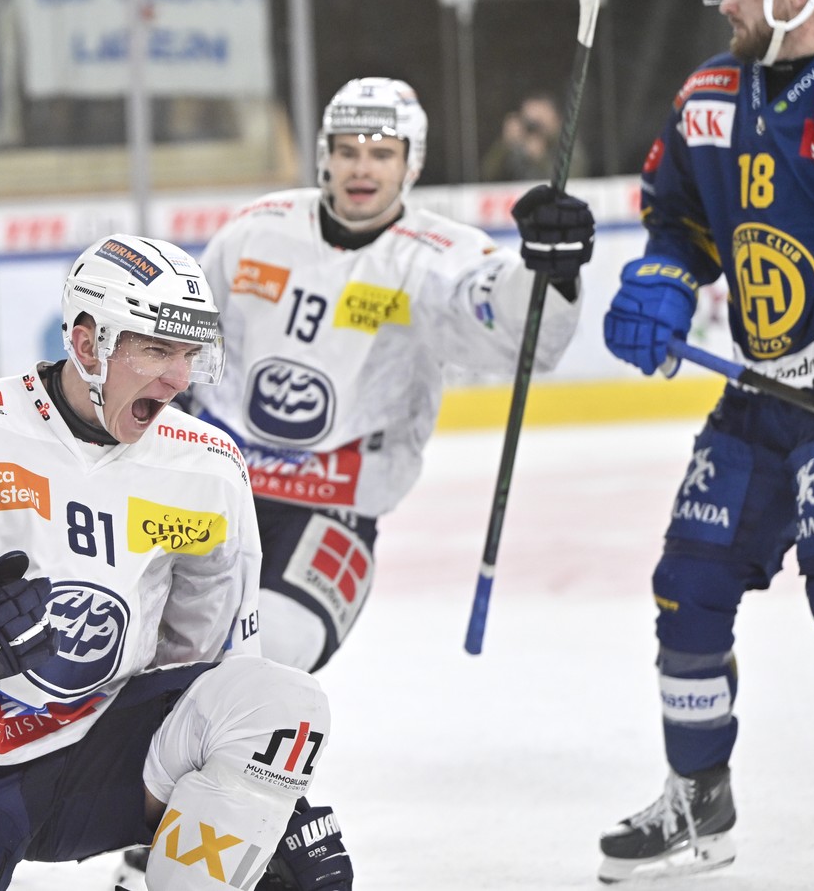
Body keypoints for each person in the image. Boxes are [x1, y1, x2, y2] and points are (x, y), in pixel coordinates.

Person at [0, 234, 354, 891]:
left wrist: (260, 808)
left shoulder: (208, 468)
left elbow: (217, 669)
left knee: (281, 705)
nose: (178, 379)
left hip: (106, 750)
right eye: (156, 350)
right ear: (86, 344)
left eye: (188, 354)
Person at [183, 76, 594, 674]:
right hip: (212, 489)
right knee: (143, 641)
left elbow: (513, 323)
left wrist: (550, 273)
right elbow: (186, 350)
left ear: (411, 163)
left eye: (381, 153)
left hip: (331, 510)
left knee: (267, 658)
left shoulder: (437, 256)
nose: (361, 167)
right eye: (347, 150)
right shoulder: (254, 231)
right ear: (325, 155)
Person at [595, 0, 814, 885]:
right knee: (689, 584)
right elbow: (681, 221)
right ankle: (698, 803)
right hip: (760, 396)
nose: (728, 3)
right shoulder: (708, 94)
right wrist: (663, 282)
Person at [479, 91, 588, 183]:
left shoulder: (567, 143)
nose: (535, 129)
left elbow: (573, 180)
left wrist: (541, 159)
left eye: (540, 120)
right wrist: (504, 144)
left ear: (556, 118)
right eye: (530, 122)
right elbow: (486, 176)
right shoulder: (519, 144)